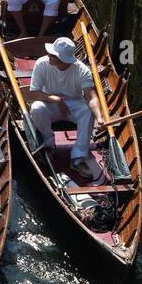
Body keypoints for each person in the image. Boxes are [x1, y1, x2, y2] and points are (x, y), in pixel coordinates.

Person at [26, 37, 102, 182]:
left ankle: (78, 157)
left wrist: (100, 117)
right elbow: (34, 93)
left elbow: (91, 97)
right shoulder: (42, 64)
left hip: (74, 103)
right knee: (36, 108)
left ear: (63, 59)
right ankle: (48, 144)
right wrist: (56, 99)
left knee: (87, 111)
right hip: (50, 101)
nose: (48, 55)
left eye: (53, 55)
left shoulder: (81, 70)